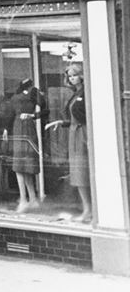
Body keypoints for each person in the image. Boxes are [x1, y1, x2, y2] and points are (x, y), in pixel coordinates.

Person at [47, 63, 91, 222]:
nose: (72, 78)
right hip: (75, 133)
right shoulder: (75, 93)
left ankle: (90, 209)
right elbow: (73, 117)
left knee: (85, 171)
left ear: (81, 75)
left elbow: (88, 115)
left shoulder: (87, 92)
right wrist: (61, 122)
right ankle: (87, 208)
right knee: (78, 172)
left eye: (75, 75)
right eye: (70, 76)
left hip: (83, 134)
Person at [6, 78, 47, 213]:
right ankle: (27, 198)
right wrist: (6, 129)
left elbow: (45, 109)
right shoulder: (17, 94)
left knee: (27, 165)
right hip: (17, 127)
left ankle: (28, 199)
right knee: (19, 165)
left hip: (28, 128)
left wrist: (33, 116)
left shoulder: (33, 92)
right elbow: (10, 114)